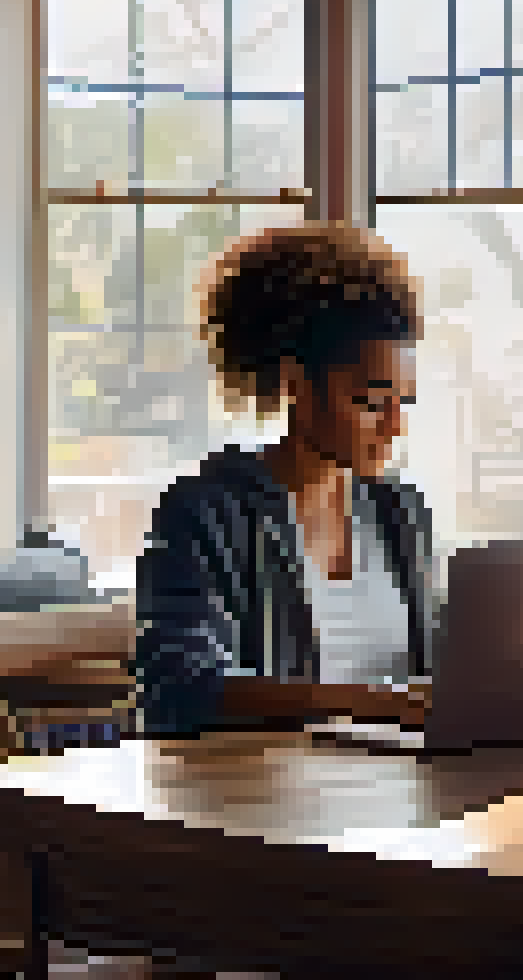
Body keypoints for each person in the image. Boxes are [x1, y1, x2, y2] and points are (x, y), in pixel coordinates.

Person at [134, 223, 436, 738]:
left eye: (402, 402)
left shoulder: (400, 510)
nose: (393, 428)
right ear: (295, 384)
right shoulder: (207, 513)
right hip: (261, 798)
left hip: (398, 787)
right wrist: (382, 703)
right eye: (368, 402)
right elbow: (181, 689)